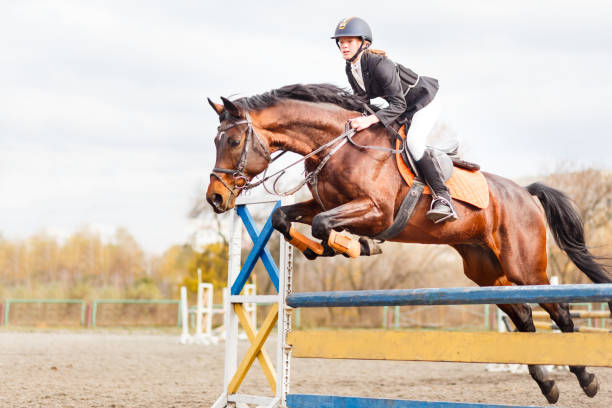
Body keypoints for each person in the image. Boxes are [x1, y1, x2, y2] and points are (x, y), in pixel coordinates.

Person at [331, 17, 457, 223]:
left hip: (425, 104)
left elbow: (398, 104)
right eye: (341, 42)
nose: (343, 46)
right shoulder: (351, 67)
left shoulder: (379, 64)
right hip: (405, 108)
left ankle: (443, 198)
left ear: (364, 43)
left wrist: (369, 120)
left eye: (349, 41)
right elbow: (362, 102)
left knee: (414, 144)